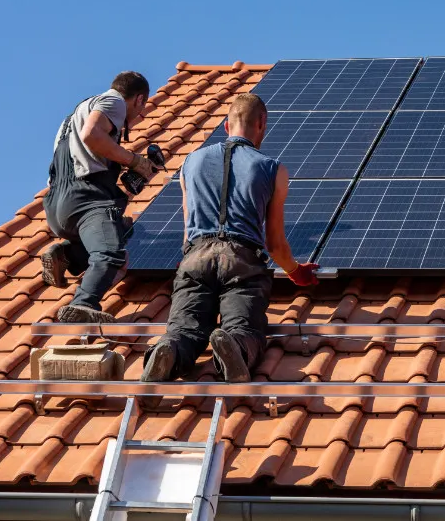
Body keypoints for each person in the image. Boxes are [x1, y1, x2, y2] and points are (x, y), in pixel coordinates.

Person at [141, 93, 319, 384]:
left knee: (184, 329)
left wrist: (188, 262)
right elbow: (275, 244)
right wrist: (295, 271)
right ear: (261, 124)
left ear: (226, 125)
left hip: (195, 257)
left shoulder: (190, 162)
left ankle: (170, 350)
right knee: (244, 327)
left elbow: (187, 225)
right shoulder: (272, 169)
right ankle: (235, 346)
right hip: (241, 259)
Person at [41, 71, 161, 323]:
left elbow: (84, 153)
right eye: (142, 107)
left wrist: (125, 168)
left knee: (123, 229)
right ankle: (83, 305)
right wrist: (134, 161)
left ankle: (68, 255)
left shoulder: (74, 115)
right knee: (111, 254)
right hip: (87, 199)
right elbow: (92, 135)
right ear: (139, 99)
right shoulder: (114, 101)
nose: (140, 115)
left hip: (57, 205)